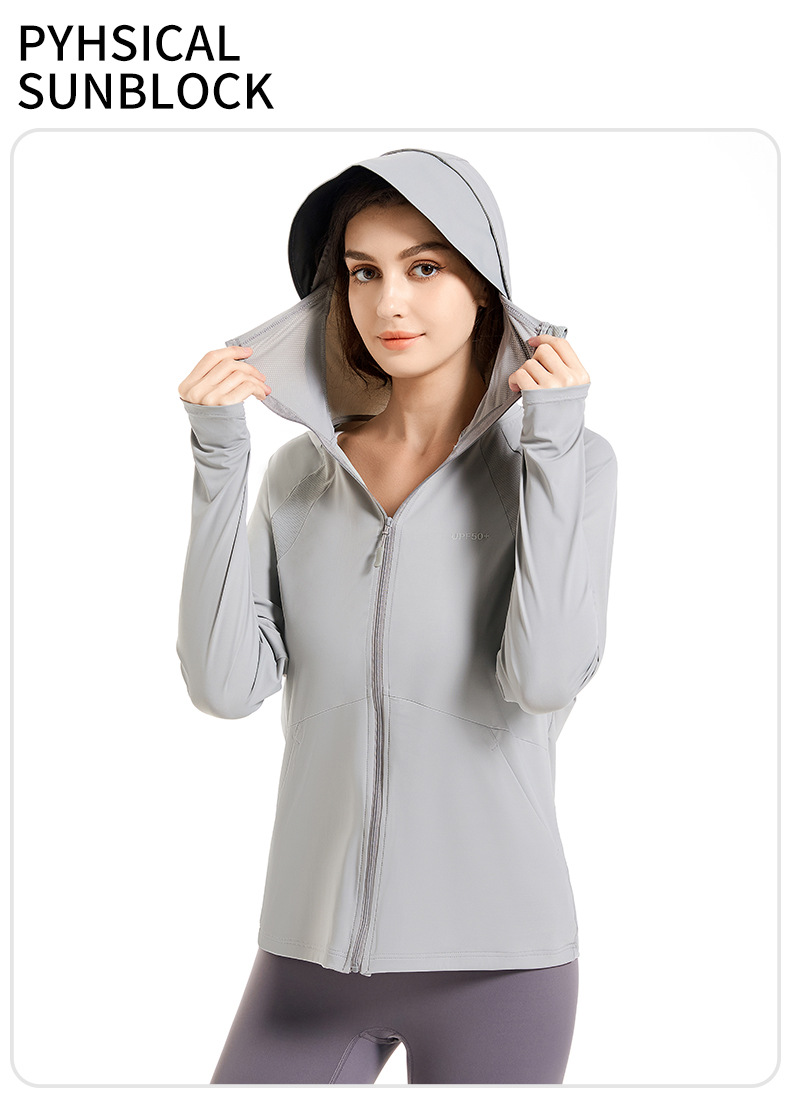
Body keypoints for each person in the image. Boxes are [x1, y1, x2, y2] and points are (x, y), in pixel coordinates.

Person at [175, 148, 618, 1085]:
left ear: (485, 288)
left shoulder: (568, 463)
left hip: (498, 958)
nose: (390, 304)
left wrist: (552, 447)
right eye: (363, 272)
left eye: (424, 267)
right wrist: (219, 459)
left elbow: (544, 676)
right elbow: (225, 686)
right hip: (307, 952)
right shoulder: (301, 475)